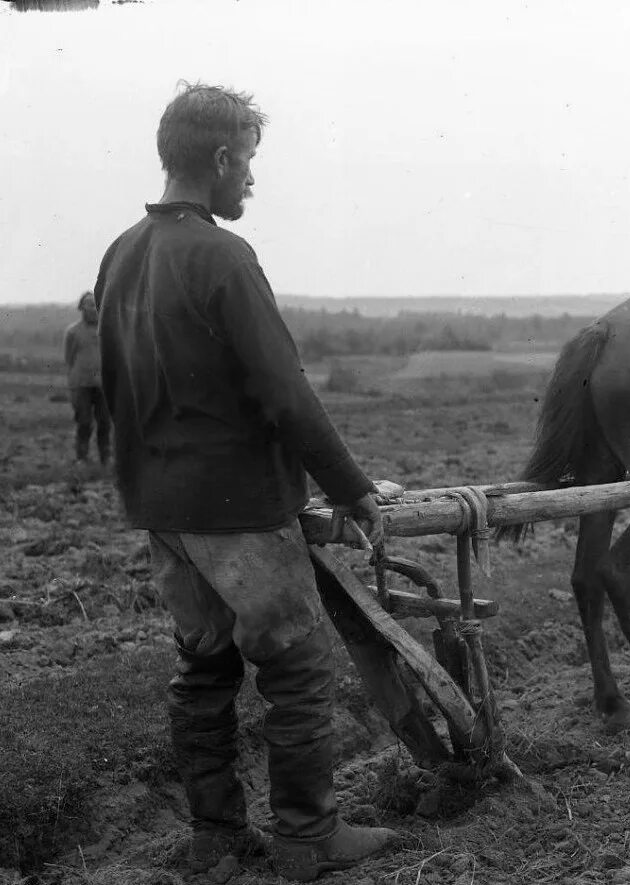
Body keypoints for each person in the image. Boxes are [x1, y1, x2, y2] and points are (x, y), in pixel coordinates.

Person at [92, 82, 398, 882]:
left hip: (161, 509)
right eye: (250, 162)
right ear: (222, 158)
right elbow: (284, 391)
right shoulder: (225, 256)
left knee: (204, 669)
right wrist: (354, 488)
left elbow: (114, 384)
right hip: (238, 507)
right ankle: (306, 838)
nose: (251, 180)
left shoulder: (120, 252)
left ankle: (217, 839)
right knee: (296, 666)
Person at [63, 290, 110, 464]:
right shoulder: (73, 332)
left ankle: (105, 458)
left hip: (103, 384)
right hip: (81, 384)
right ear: (81, 307)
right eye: (89, 304)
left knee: (104, 423)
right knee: (84, 422)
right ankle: (82, 457)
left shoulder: (107, 329)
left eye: (95, 303)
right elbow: (69, 358)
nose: (93, 307)